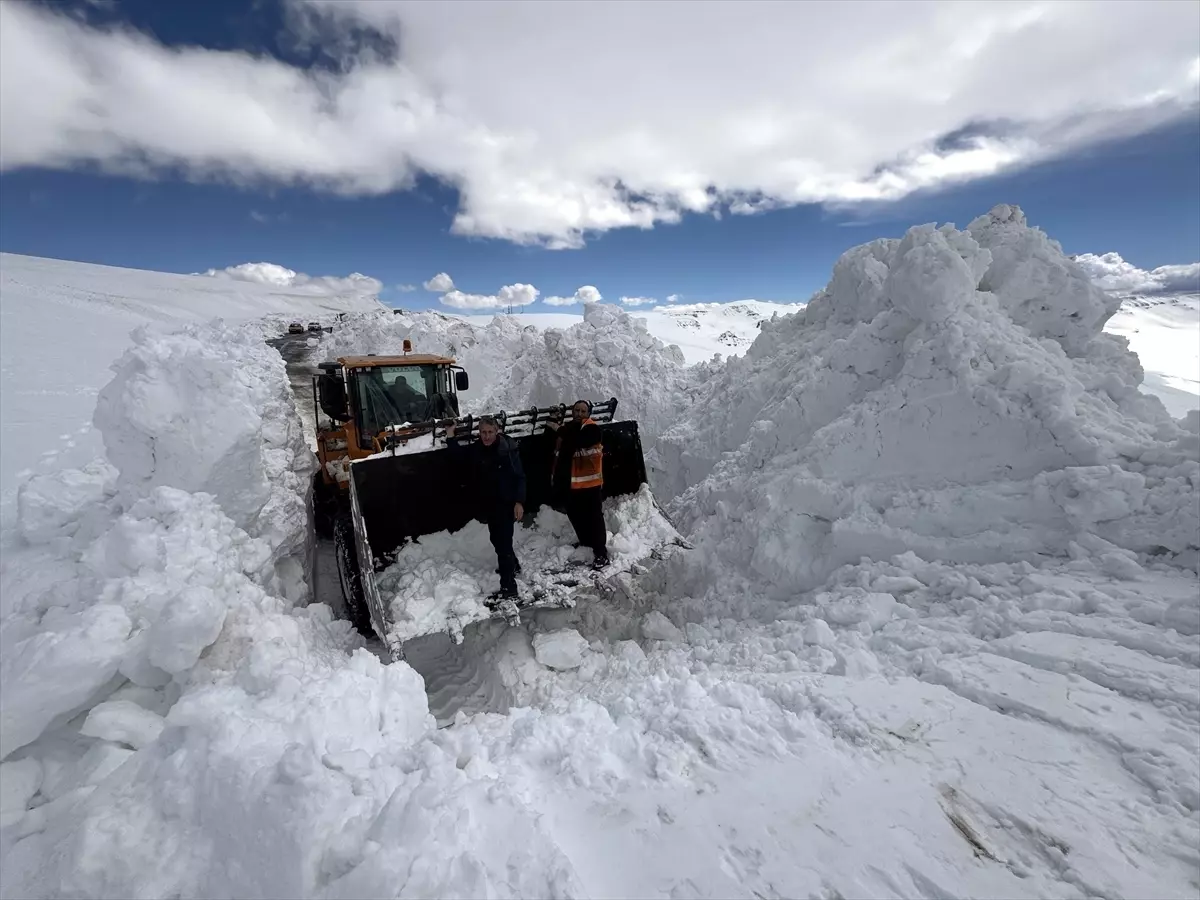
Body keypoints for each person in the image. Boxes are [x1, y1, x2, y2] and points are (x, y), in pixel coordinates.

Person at [445, 416, 526, 599]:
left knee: (504, 544)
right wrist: (451, 436)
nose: (487, 436)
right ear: (479, 433)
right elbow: (460, 457)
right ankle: (513, 565)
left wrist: (519, 502)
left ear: (497, 431)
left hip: (506, 504)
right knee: (496, 539)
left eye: (490, 432)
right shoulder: (477, 449)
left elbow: (519, 476)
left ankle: (509, 588)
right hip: (489, 504)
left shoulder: (507, 450)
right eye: (483, 432)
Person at [547, 400, 609, 569]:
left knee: (594, 518)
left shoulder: (591, 429)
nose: (579, 413)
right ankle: (586, 543)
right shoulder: (568, 429)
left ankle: (601, 553)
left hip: (590, 485)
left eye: (583, 411)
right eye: (576, 410)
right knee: (576, 515)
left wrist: (558, 428)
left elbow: (576, 442)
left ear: (588, 414)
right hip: (571, 484)